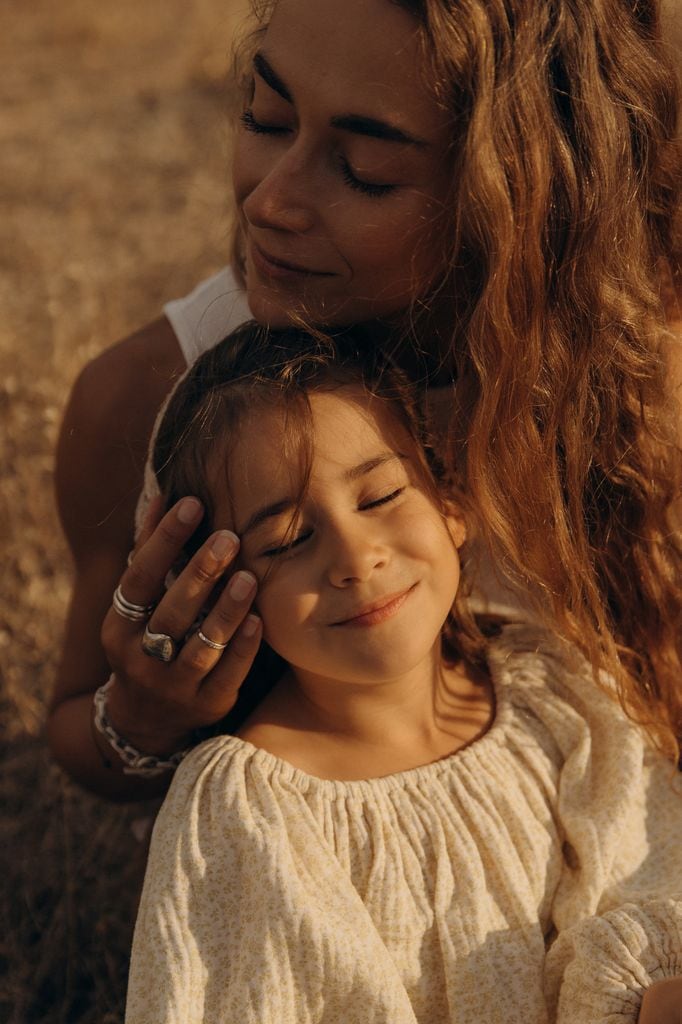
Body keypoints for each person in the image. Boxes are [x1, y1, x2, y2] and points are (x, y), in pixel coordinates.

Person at [49, 0, 682, 801]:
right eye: (267, 117)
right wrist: (142, 720)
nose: (268, 203)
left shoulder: (639, 372)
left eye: (365, 171)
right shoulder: (147, 394)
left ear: (524, 196)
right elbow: (79, 736)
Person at [124, 324, 682, 1024]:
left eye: (381, 496)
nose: (356, 558)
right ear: (220, 591)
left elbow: (653, 908)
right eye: (289, 540)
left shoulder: (560, 695)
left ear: (450, 501)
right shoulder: (248, 810)